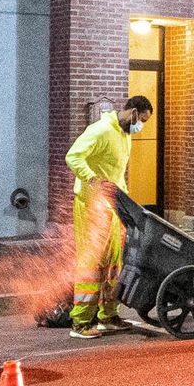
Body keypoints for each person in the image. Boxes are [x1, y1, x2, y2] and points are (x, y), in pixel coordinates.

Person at [65, 96, 152, 339]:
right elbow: (73, 156)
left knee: (114, 263)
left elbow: (116, 173)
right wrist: (91, 179)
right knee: (92, 263)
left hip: (113, 206)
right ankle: (81, 322)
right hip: (92, 203)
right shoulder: (101, 130)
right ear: (133, 113)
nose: (140, 127)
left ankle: (108, 316)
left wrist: (123, 198)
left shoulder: (125, 135)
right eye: (141, 120)